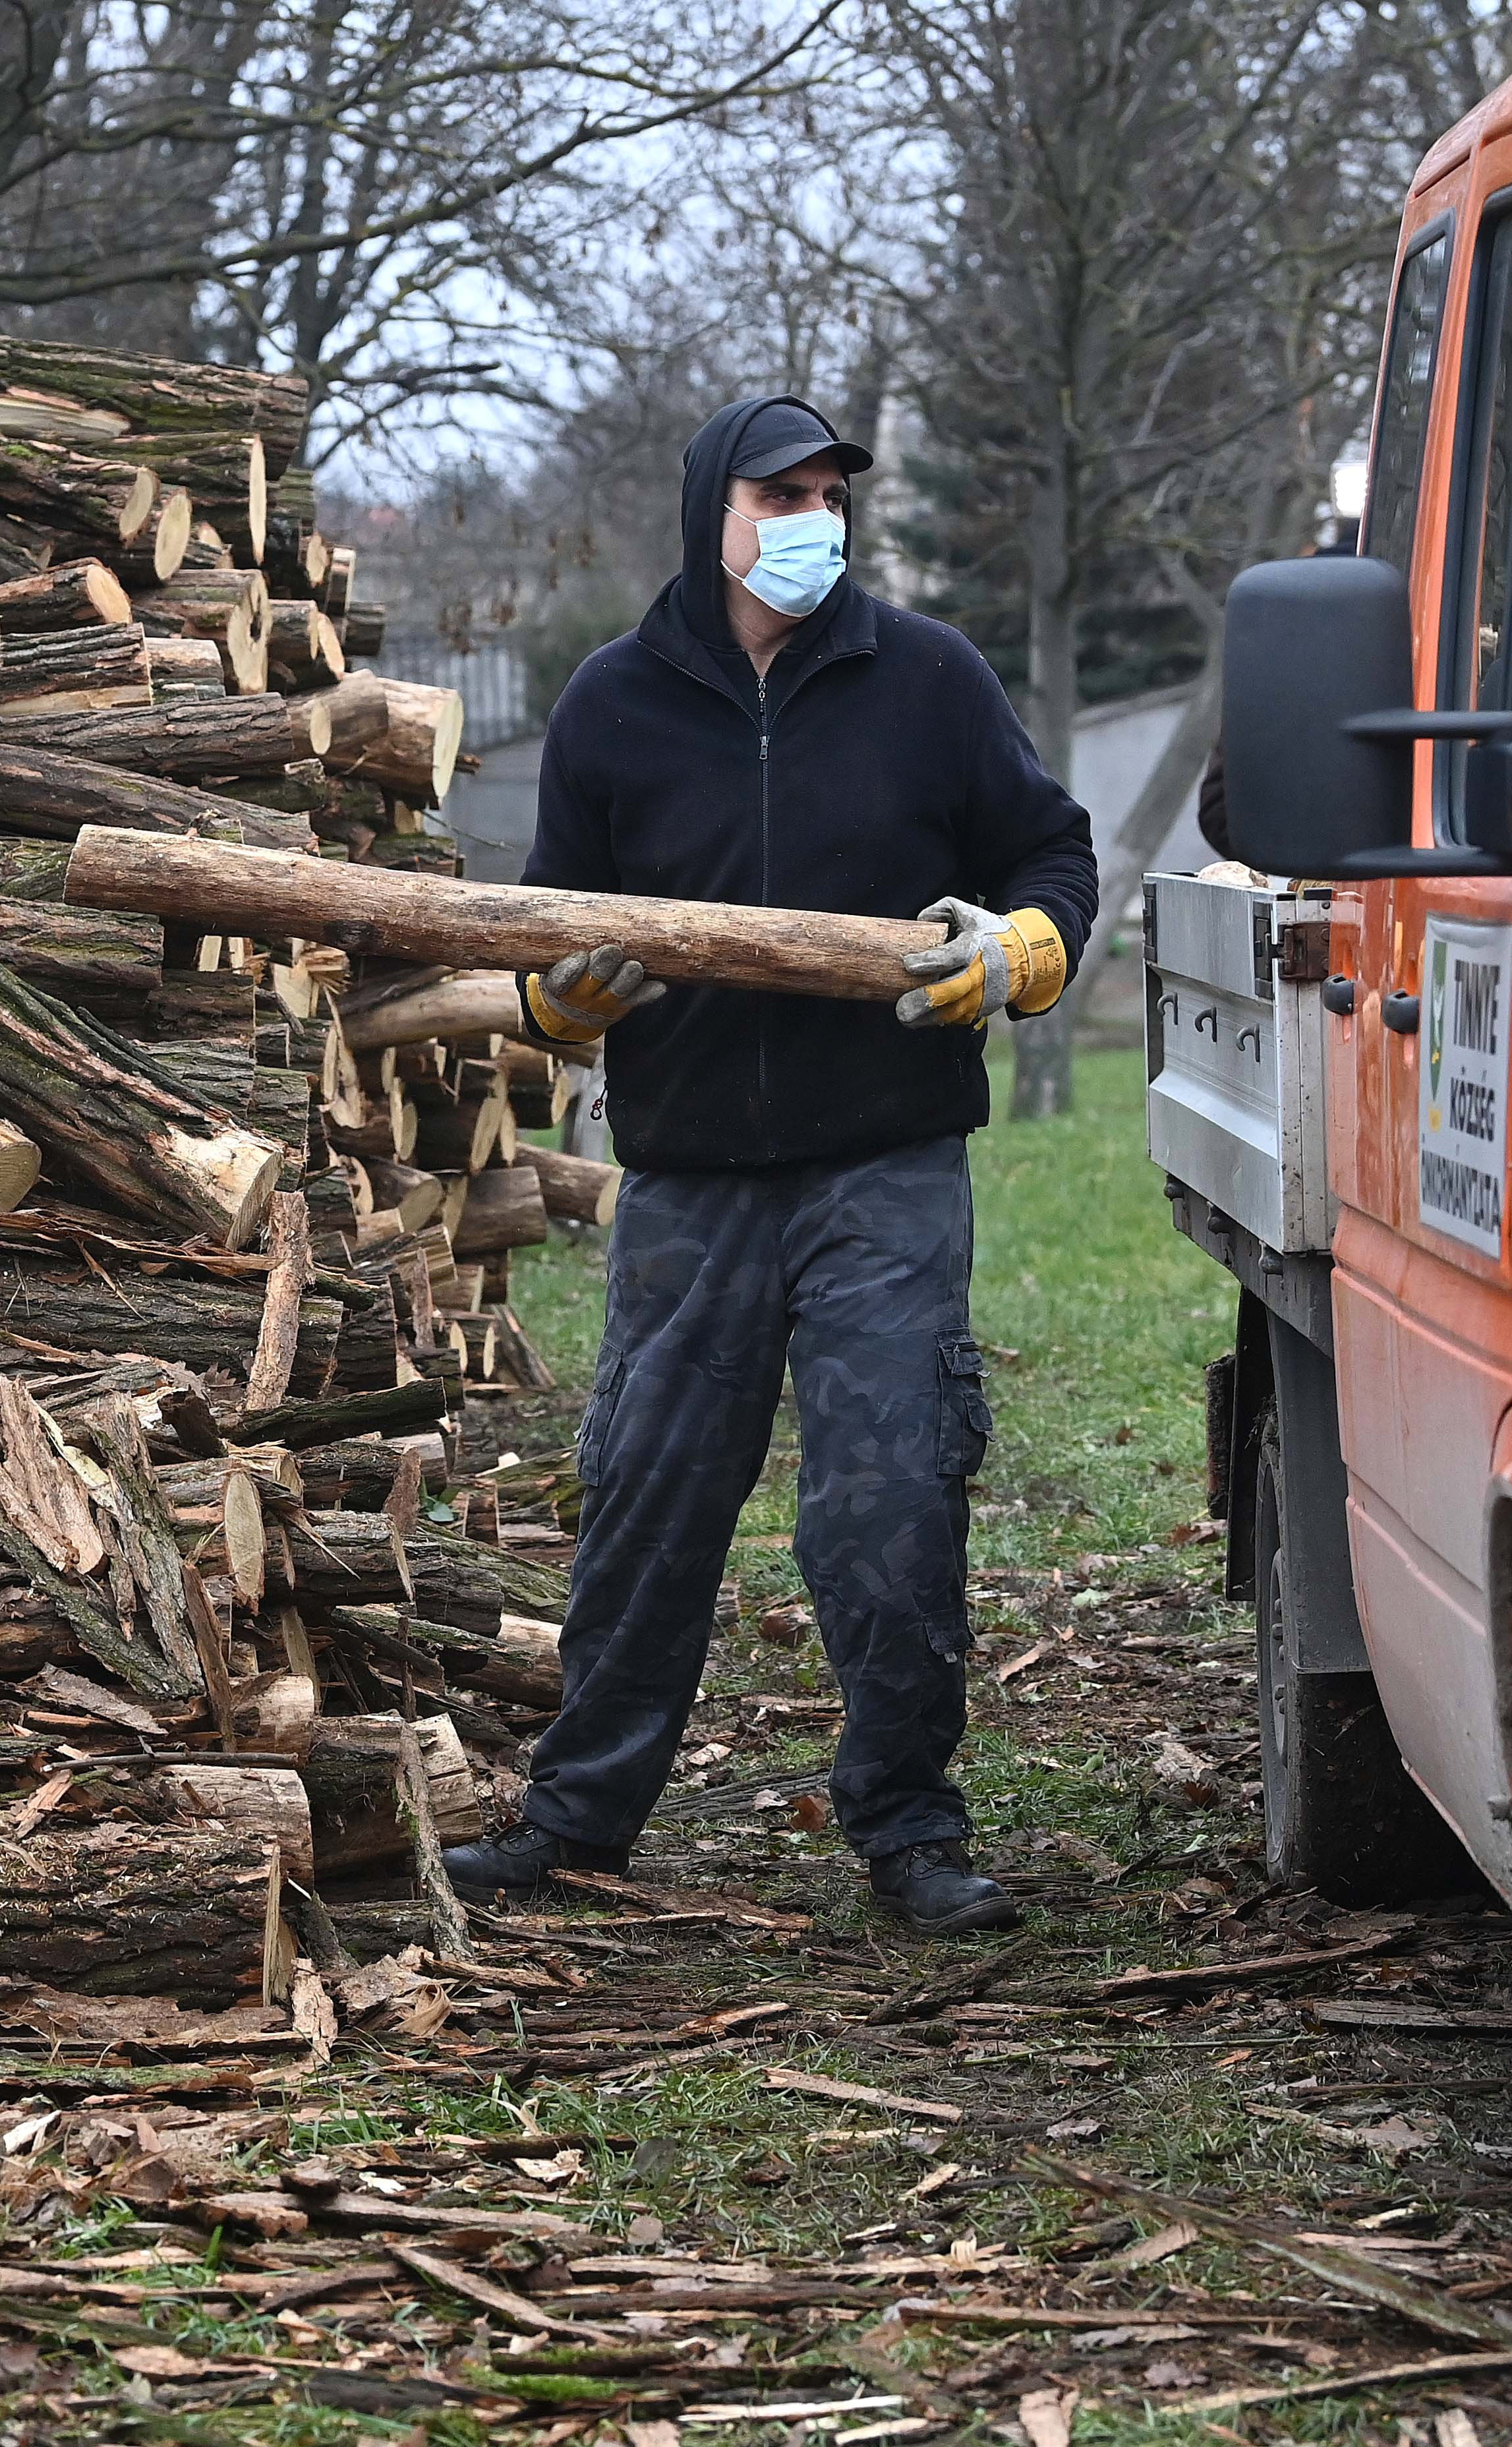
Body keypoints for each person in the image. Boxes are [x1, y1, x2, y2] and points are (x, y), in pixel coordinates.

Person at [438, 396, 1099, 1936]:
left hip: (886, 1167)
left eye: (827, 493)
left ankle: (910, 1830)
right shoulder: (613, 705)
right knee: (647, 1490)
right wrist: (559, 1001)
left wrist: (1019, 953)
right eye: (778, 493)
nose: (813, 519)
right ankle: (580, 1812)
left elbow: (1052, 853)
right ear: (708, 513)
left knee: (890, 1496)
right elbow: (548, 927)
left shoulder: (927, 678)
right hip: (691, 1179)